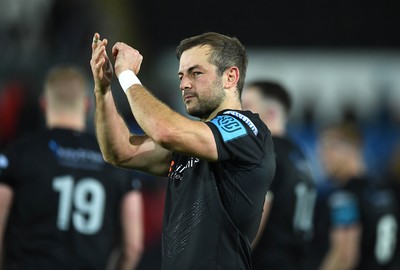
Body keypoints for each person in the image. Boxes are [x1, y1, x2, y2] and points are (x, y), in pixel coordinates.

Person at [90, 32, 276, 270]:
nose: (184, 84)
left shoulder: (247, 130)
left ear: (230, 77)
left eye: (196, 73)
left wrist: (127, 76)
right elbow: (120, 151)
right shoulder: (192, 142)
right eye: (181, 75)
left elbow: (164, 130)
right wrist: (103, 90)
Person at [0, 65, 144, 270]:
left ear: (44, 104)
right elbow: (133, 246)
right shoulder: (115, 162)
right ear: (87, 105)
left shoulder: (18, 155)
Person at [241, 80, 317, 270]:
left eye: (247, 107)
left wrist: (233, 261)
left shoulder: (267, 153)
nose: (239, 114)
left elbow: (258, 214)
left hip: (268, 261)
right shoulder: (299, 155)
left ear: (271, 112)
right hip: (298, 260)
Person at [311, 121, 399, 270]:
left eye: (329, 147)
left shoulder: (344, 197)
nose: (322, 155)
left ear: (352, 148)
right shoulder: (386, 191)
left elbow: (344, 256)